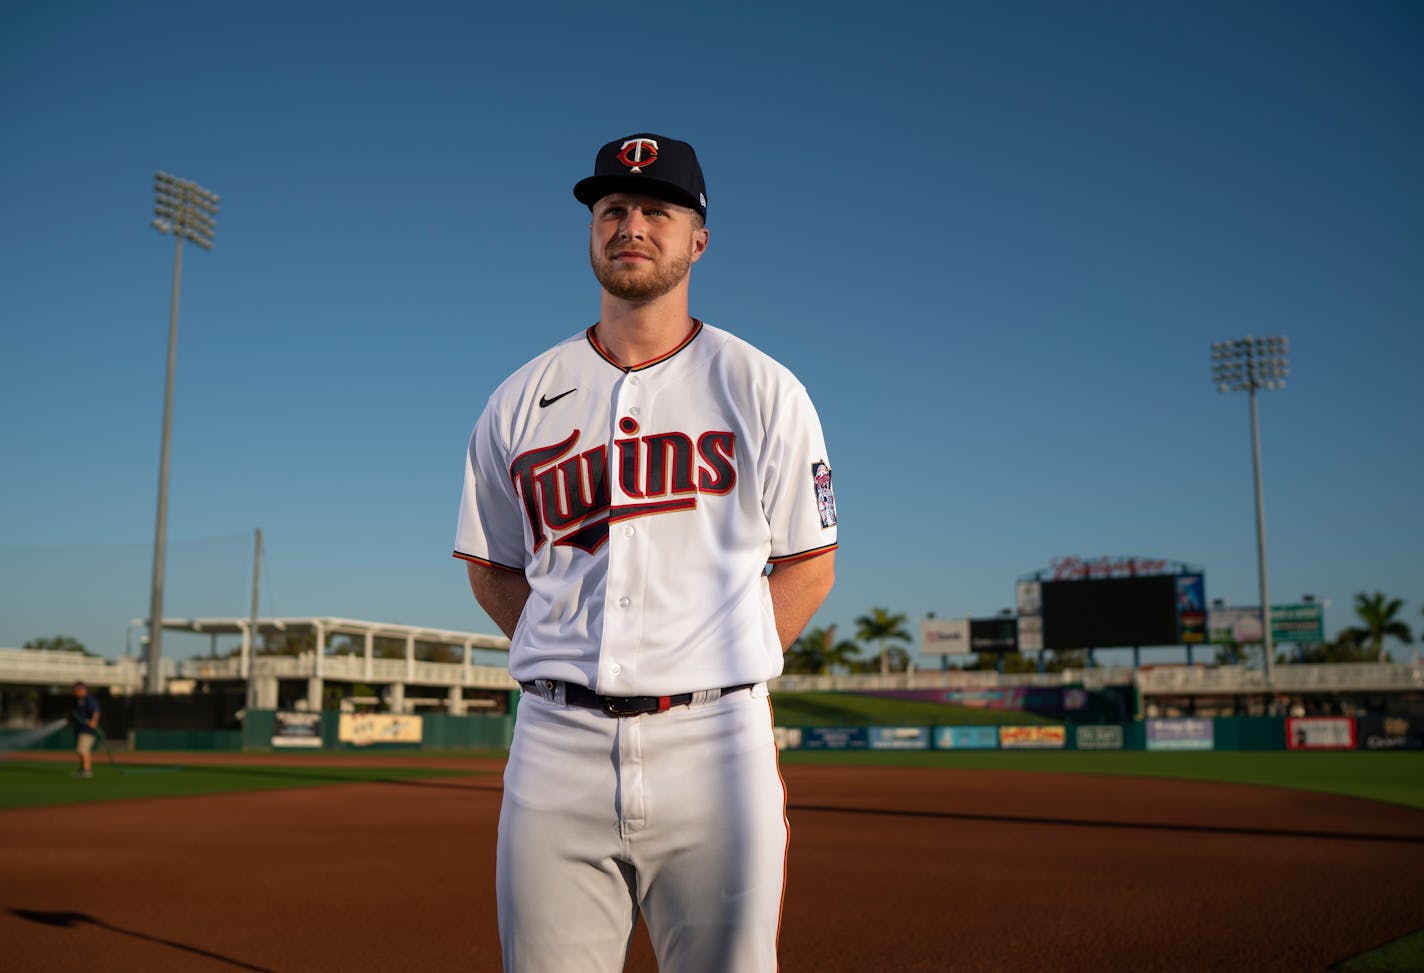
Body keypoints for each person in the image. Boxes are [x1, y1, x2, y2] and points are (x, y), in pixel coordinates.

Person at [454, 132, 838, 973]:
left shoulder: (762, 386)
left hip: (717, 745)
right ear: (592, 230)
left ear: (698, 238)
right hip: (556, 742)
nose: (631, 224)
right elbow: (491, 561)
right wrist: (556, 641)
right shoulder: (518, 398)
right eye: (613, 209)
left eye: (656, 210)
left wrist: (719, 659)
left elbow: (810, 563)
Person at [69, 681, 100, 778]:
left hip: (87, 730)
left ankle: (87, 770)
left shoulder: (89, 699)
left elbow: (95, 711)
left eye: (76, 690)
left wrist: (94, 721)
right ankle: (83, 769)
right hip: (80, 729)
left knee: (83, 750)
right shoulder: (77, 700)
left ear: (82, 689)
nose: (75, 692)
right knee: (80, 750)